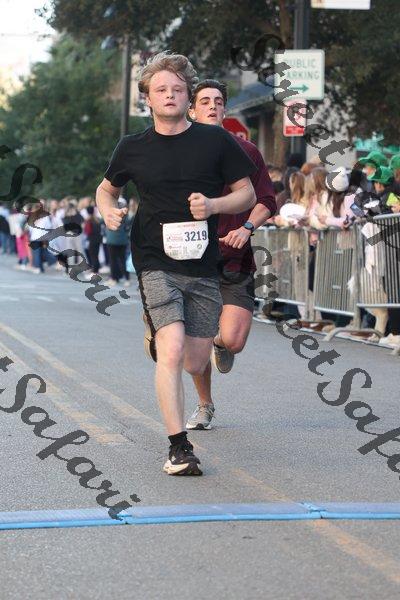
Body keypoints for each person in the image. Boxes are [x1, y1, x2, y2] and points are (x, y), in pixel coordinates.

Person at [96, 52, 256, 476]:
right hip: (154, 260)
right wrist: (108, 210)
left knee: (195, 361)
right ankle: (178, 448)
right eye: (161, 90)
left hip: (202, 264)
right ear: (147, 98)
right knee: (171, 349)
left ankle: (163, 332)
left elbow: (247, 194)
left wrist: (214, 205)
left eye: (178, 89)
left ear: (188, 97)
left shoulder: (215, 141)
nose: (170, 95)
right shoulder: (132, 147)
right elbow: (106, 189)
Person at [183, 78, 275, 430]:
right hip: (192, 260)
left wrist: (246, 227)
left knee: (233, 341)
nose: (212, 106)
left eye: (218, 101)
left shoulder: (246, 151)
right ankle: (204, 405)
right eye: (205, 101)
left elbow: (267, 200)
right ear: (192, 109)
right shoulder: (179, 152)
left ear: (225, 109)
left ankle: (218, 343)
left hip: (235, 259)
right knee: (196, 344)